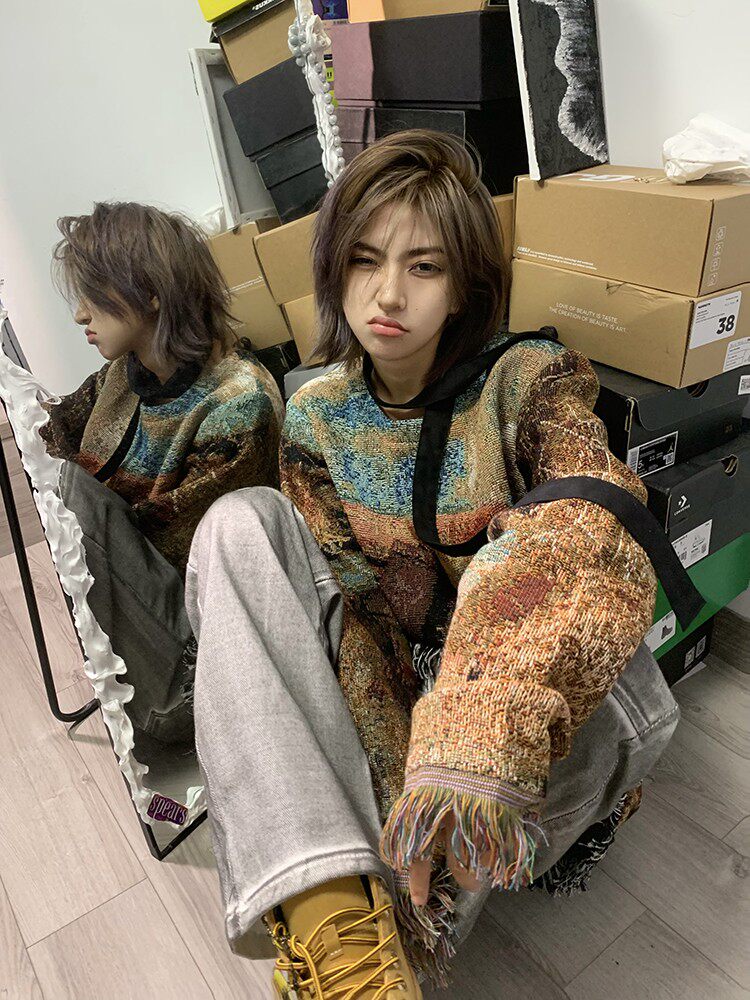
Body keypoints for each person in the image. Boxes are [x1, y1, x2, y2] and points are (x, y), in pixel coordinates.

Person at [185, 132, 679, 996]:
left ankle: (392, 913)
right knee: (236, 525)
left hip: (536, 715)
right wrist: (399, 788)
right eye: (364, 259)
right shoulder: (318, 416)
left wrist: (464, 753)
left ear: (464, 286)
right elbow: (361, 628)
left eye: (424, 266)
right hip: (407, 690)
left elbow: (590, 520)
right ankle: (341, 931)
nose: (387, 294)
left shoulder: (531, 379)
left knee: (577, 577)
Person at [41, 202, 285, 744]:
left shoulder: (237, 401)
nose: (79, 314)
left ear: (151, 292)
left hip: (203, 662)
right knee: (55, 478)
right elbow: (51, 435)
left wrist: (79, 498)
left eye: (92, 294)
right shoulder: (123, 378)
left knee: (70, 493)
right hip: (147, 631)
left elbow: (184, 557)